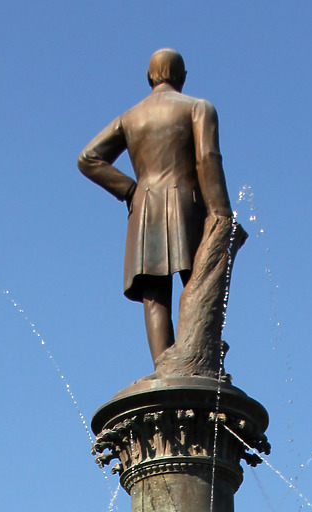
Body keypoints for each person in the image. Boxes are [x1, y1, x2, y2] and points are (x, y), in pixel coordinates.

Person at [78, 49, 235, 365]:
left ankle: (165, 367)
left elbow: (88, 158)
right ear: (183, 77)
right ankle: (199, 362)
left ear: (149, 77)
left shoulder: (130, 116)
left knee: (154, 294)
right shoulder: (198, 108)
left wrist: (131, 190)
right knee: (201, 280)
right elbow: (207, 160)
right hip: (188, 206)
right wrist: (221, 213)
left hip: (145, 210)